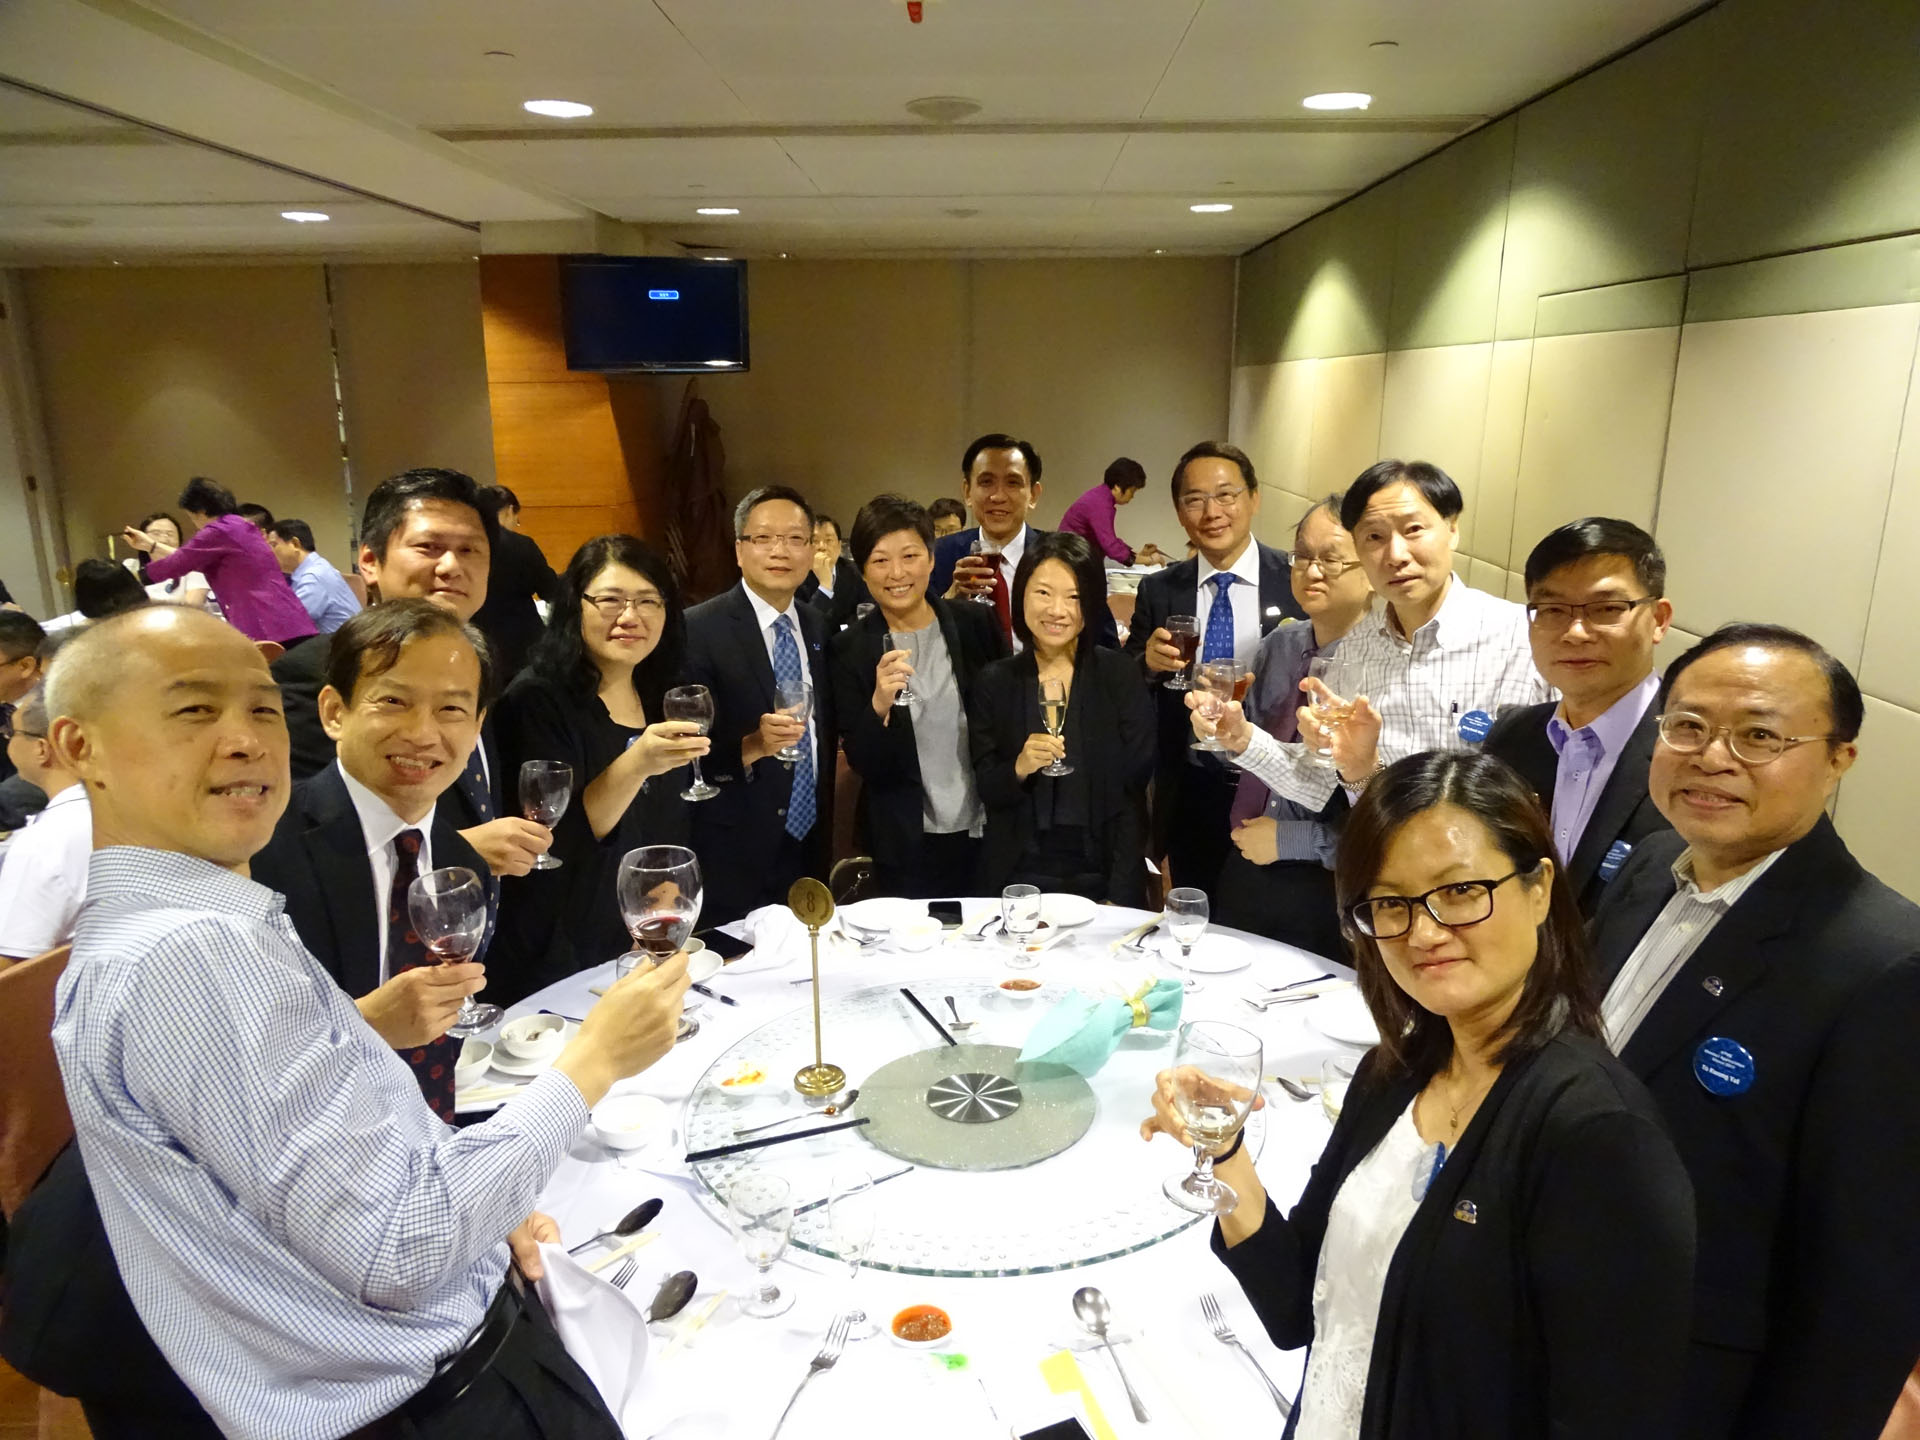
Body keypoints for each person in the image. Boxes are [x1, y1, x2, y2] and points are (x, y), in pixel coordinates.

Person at [34, 603, 690, 1440]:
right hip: (415, 1397)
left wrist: (478, 1200)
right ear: (79, 746)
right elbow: (399, 1248)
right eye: (194, 708)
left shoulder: (209, 912)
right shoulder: (194, 947)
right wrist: (593, 1062)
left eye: (262, 709)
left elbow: (344, 1145)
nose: (245, 740)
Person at [1143, 749, 1695, 1437]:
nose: (1424, 932)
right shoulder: (1396, 1071)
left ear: (1539, 888)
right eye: (1390, 904)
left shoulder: (1597, 1136)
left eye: (1459, 891)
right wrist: (1225, 1150)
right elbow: (1295, 1308)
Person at [1587, 624, 1920, 1439]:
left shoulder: (1886, 965)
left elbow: (1863, 1288)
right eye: (1687, 726)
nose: (1712, 757)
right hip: (1552, 1319)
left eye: (1760, 736)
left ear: (1840, 758)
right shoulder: (1648, 866)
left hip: (1689, 1382)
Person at [247, 601, 497, 1120]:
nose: (423, 734)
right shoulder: (260, 849)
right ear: (334, 712)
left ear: (477, 726)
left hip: (426, 1134)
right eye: (393, 701)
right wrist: (363, 1023)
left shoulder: (463, 864)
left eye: (451, 710)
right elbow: (218, 1056)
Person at [271, 467, 552, 888]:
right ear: (370, 561)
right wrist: (454, 848)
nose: (451, 566)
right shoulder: (313, 672)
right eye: (429, 547)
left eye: (470, 550)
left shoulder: (480, 662)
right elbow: (287, 837)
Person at [1225, 459, 1548, 821]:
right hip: (1384, 852)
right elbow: (1320, 784)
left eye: (1413, 529)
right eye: (1374, 537)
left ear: (1452, 529)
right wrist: (1241, 736)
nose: (1396, 555)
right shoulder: (1355, 650)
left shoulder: (1524, 637)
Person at [493, 536, 710, 996]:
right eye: (611, 600)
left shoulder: (659, 690)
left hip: (640, 929)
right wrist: (637, 763)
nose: (630, 617)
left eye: (648, 601)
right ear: (575, 606)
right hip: (563, 944)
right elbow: (556, 836)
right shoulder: (536, 699)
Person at [1126, 441, 1306, 896]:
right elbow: (1128, 686)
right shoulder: (1160, 590)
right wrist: (1147, 665)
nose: (1212, 512)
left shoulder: (1294, 580)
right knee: (1197, 905)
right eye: (1195, 499)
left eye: (1226, 495)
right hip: (1192, 783)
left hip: (1274, 787)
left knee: (1268, 910)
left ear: (1254, 498)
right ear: (1179, 511)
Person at [1207, 495, 1373, 955]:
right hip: (1246, 855)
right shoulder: (1280, 644)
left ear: (1371, 569)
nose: (1312, 571)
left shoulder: (1378, 668)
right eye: (1302, 556)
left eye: (1331, 559)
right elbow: (1253, 751)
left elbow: (1386, 814)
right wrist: (1218, 730)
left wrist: (1292, 840)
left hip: (1325, 882)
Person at [1483, 518, 1672, 915]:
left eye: (1607, 609)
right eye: (1552, 609)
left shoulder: (1690, 754)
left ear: (1658, 619)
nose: (1576, 633)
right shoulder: (1511, 738)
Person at [829, 494, 1006, 898]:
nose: (897, 573)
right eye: (880, 560)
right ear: (862, 569)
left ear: (931, 559)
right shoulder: (850, 649)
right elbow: (863, 762)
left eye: (910, 556)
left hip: (985, 830)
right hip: (906, 844)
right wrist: (878, 704)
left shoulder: (975, 623)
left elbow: (1004, 719)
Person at [970, 532, 1153, 904]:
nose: (1057, 610)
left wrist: (1118, 897)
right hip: (1017, 877)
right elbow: (986, 786)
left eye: (1074, 596)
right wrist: (1019, 767)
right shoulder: (995, 680)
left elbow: (1133, 795)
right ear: (1021, 594)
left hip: (1102, 873)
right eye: (1043, 592)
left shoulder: (1118, 675)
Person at [684, 485, 837, 923]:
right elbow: (684, 755)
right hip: (735, 845)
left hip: (811, 839)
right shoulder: (698, 630)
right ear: (739, 550)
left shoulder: (818, 625)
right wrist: (752, 745)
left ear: (811, 550)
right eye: (764, 538)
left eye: (795, 539)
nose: (780, 551)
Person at [931, 433, 1119, 651]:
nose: (998, 496)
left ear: (1033, 495)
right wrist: (950, 600)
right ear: (967, 492)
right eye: (986, 482)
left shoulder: (1067, 559)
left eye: (1013, 483)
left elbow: (1106, 648)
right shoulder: (939, 556)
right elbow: (917, 642)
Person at [123, 477, 315, 646]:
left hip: (266, 622)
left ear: (200, 511)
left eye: (191, 517)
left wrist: (129, 580)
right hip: (285, 619)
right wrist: (152, 546)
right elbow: (193, 556)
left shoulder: (218, 531)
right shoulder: (238, 526)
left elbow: (181, 561)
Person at [0, 683, 90, 959]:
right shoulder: (134, 810)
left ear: (42, 748)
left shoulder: (43, 844)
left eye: (12, 733)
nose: (7, 740)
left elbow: (13, 962)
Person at [471, 484, 559, 681]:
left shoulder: (466, 545)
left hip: (475, 643)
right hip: (521, 644)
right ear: (510, 510)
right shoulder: (520, 545)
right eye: (516, 520)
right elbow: (550, 590)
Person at [1057, 456, 1169, 567]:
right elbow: (1111, 548)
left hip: (1073, 556)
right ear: (1117, 487)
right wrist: (1149, 560)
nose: (1132, 496)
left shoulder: (1100, 496)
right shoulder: (1100, 504)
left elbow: (1110, 543)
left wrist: (1139, 555)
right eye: (1132, 491)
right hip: (1070, 561)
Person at [266, 517, 363, 634]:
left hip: (342, 643)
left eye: (274, 545)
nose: (269, 552)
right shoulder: (315, 567)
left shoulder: (313, 576)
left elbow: (287, 621)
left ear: (295, 544)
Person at [796, 512, 869, 631]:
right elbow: (805, 625)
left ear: (839, 546)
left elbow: (867, 609)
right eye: (815, 541)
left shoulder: (855, 571)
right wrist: (825, 586)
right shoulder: (796, 576)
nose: (822, 547)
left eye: (828, 540)